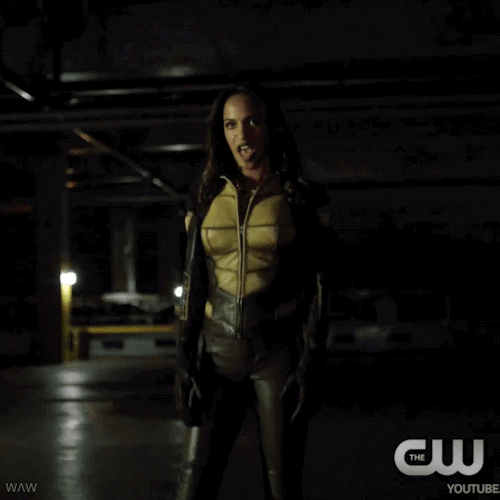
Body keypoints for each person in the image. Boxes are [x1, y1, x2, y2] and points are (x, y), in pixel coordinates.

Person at [174, 81, 327, 500]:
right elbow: (192, 282)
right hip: (216, 354)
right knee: (193, 486)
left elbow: (318, 286)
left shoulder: (297, 195)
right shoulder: (205, 195)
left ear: (270, 126)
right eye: (231, 125)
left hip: (276, 355)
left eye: (252, 122)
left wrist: (311, 360)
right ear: (221, 132)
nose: (242, 134)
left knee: (282, 486)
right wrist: (184, 357)